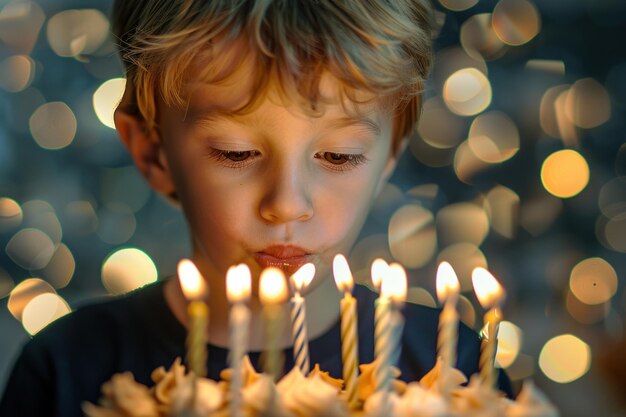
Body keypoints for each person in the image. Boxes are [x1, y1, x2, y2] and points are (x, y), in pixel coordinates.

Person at [0, 1, 511, 416]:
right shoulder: (68, 372)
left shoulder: (455, 371)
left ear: (387, 157)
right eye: (236, 153)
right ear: (153, 153)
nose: (287, 205)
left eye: (339, 156)